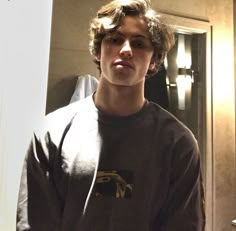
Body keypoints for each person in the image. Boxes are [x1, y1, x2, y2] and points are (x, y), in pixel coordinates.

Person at [16, 0, 205, 230]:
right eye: (115, 39)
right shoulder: (50, 134)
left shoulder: (178, 144)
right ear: (98, 50)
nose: (126, 50)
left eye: (139, 43)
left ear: (154, 59)